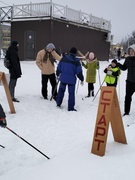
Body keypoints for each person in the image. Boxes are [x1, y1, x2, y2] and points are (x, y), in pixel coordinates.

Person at [56, 47, 84, 111]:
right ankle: (70, 107)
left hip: (63, 78)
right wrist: (81, 78)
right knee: (71, 93)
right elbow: (79, 72)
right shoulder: (76, 61)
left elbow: (59, 67)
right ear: (75, 53)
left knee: (61, 91)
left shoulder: (63, 58)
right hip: (71, 80)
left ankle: (58, 103)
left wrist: (57, 74)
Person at [117, 44, 135, 116]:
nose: (131, 52)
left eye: (132, 51)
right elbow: (124, 68)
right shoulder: (127, 59)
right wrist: (118, 65)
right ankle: (126, 112)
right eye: (130, 51)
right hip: (129, 82)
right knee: (127, 97)